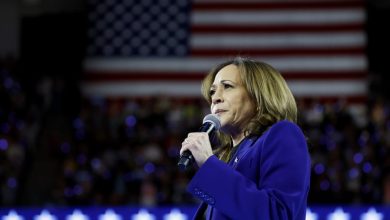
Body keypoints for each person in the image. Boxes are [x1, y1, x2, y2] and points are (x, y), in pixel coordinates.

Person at [180, 57, 311, 219]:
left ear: (258, 97)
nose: (215, 98)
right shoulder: (227, 159)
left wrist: (209, 164)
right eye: (212, 91)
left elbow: (277, 214)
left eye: (227, 86)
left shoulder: (283, 134)